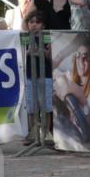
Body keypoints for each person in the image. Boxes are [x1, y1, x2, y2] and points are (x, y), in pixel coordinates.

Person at [22, 10, 53, 144]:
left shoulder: (47, 36)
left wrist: (43, 51)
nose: (34, 25)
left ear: (43, 25)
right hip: (29, 76)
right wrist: (28, 52)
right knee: (31, 106)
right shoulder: (24, 37)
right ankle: (32, 132)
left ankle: (46, 133)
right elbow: (20, 56)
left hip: (45, 75)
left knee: (46, 105)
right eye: (31, 22)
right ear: (27, 24)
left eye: (38, 22)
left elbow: (51, 55)